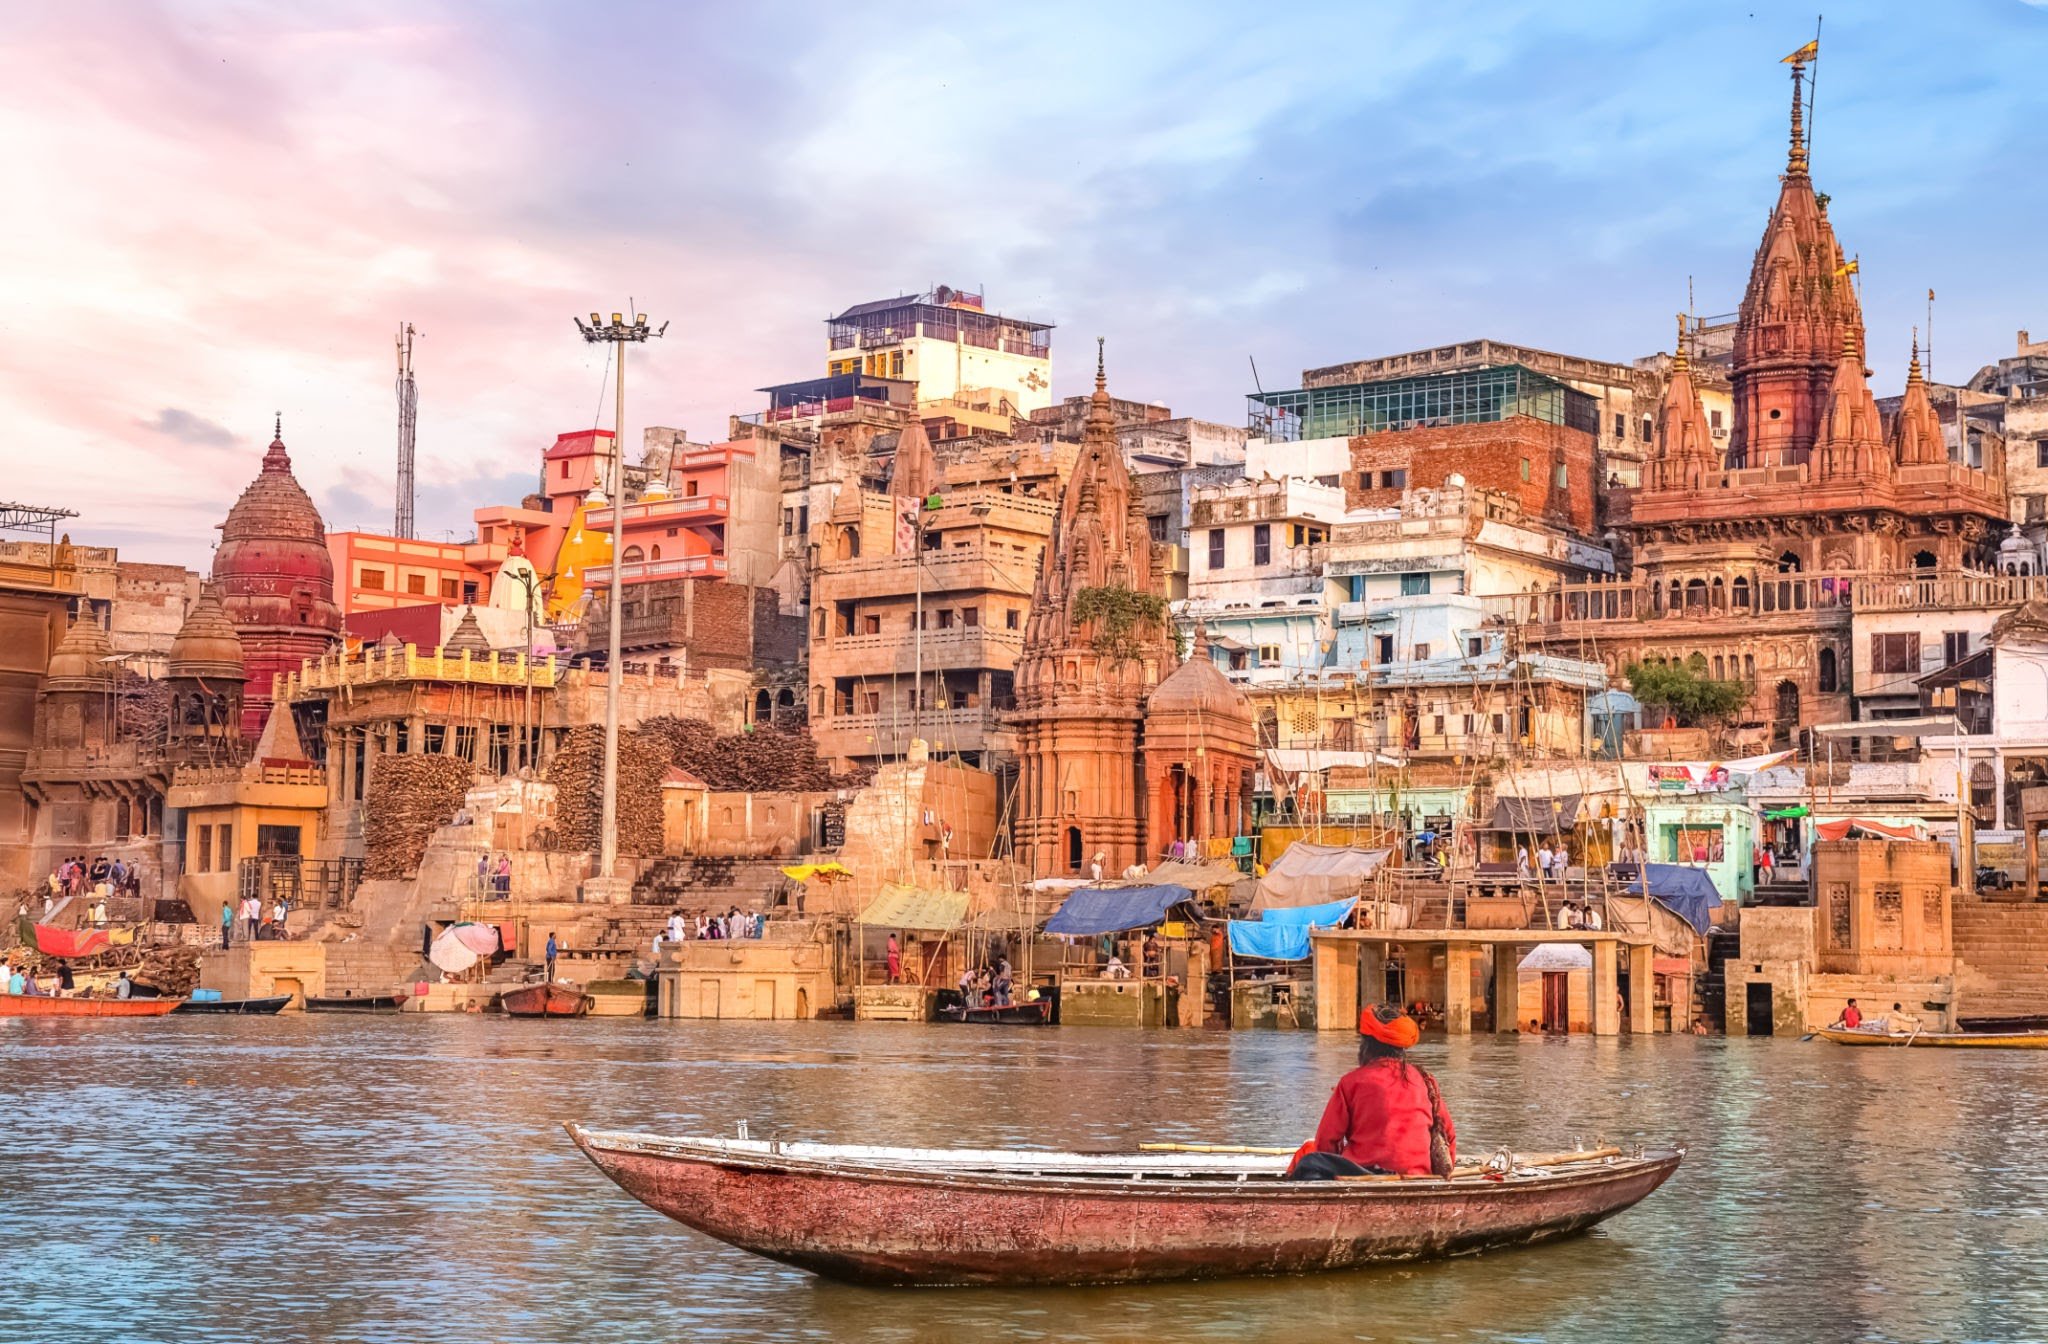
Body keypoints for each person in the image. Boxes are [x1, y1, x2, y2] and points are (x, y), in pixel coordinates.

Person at [1289, 1004, 1456, 1179]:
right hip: (1418, 1175)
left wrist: (1330, 1172)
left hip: (1365, 1175)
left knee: (1309, 1158)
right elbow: (1448, 1136)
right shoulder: (1425, 1080)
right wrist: (1440, 1177)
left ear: (1366, 1046)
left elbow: (1326, 1141)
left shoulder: (1351, 1082)